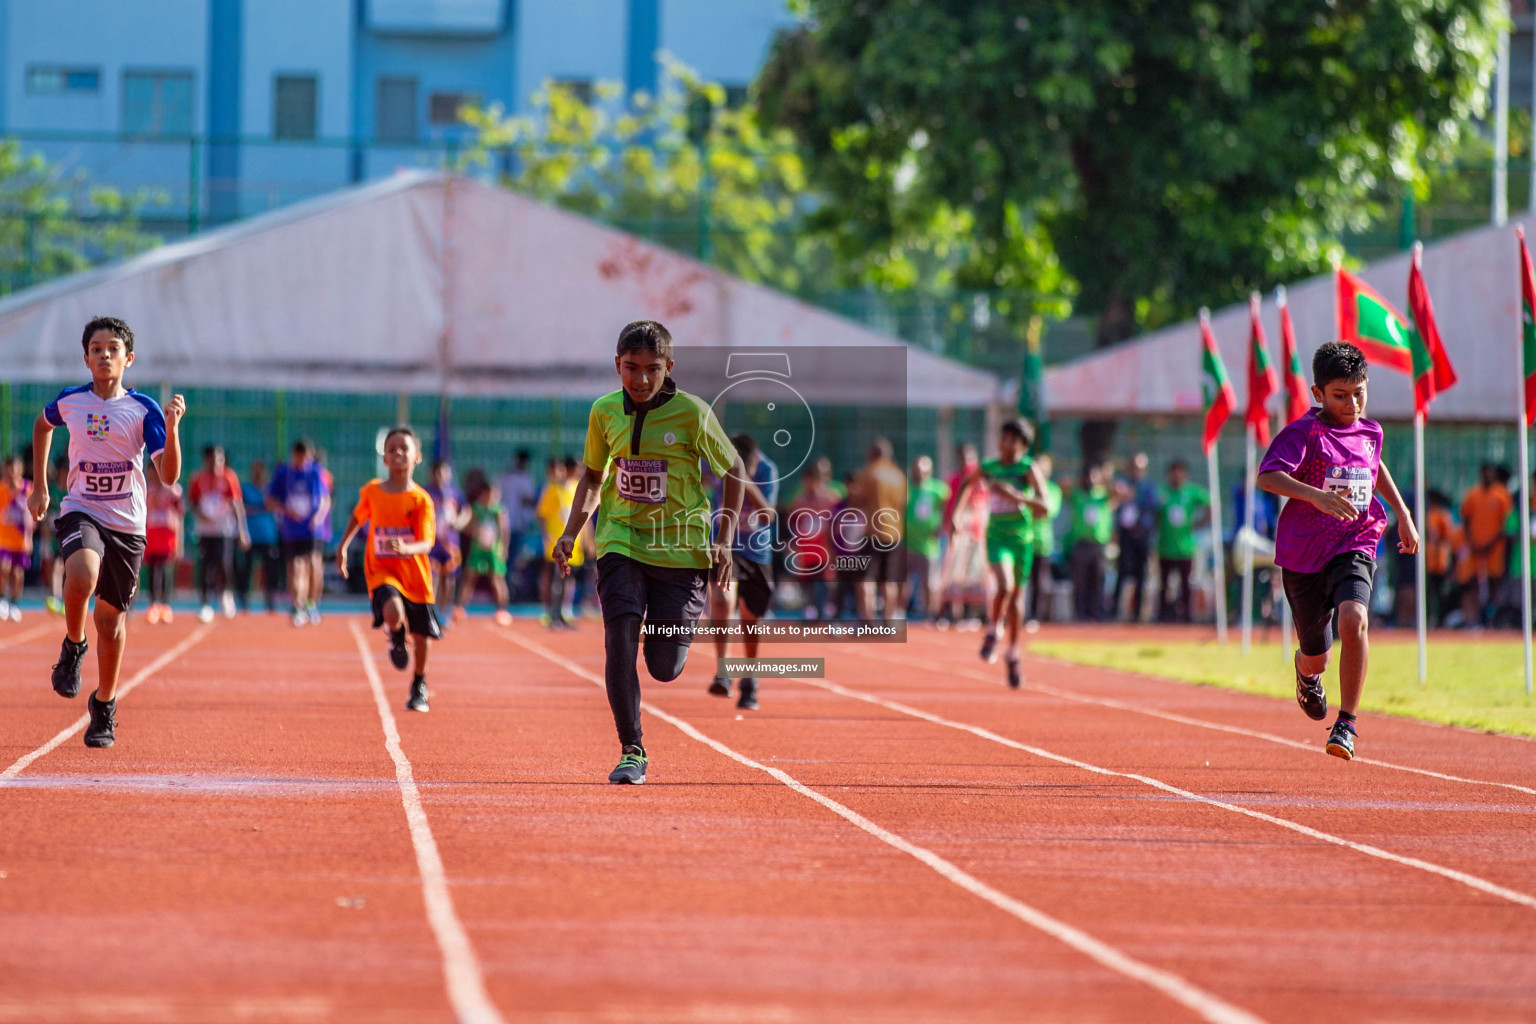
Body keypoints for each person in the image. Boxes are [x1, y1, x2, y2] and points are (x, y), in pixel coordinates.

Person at [553, 320, 744, 785]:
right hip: (621, 540)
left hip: (681, 551)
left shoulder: (693, 414)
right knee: (618, 637)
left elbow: (734, 469)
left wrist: (723, 538)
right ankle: (631, 748)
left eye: (651, 369)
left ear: (669, 368)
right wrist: (571, 532)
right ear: (617, 365)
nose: (640, 379)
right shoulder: (603, 412)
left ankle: (659, 629)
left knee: (664, 667)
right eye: (631, 368)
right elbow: (594, 478)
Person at [27, 316, 185, 748]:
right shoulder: (71, 402)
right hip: (82, 509)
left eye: (113, 348)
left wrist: (171, 431)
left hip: (127, 525)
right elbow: (42, 426)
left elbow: (168, 476)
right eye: (96, 348)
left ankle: (105, 704)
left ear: (128, 359)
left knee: (111, 621)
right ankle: (74, 646)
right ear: (86, 357)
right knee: (81, 575)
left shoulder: (143, 410)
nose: (104, 354)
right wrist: (41, 486)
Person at [1257, 341, 1418, 761]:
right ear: (1318, 394)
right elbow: (1268, 476)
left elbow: (1374, 463)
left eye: (1359, 392)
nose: (1352, 404)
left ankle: (1346, 723)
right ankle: (1305, 674)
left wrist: (1402, 512)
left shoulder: (1371, 431)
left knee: (1355, 617)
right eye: (1340, 396)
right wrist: (1316, 497)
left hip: (1355, 541)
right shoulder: (1304, 434)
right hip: (1303, 555)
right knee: (1317, 656)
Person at [336, 427, 441, 713]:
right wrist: (343, 545)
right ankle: (395, 633)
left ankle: (419, 685)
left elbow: (427, 541)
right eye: (391, 448)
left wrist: (407, 548)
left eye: (403, 448)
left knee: (422, 635)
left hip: (415, 575)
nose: (397, 453)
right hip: (382, 569)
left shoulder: (421, 500)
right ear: (384, 457)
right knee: (392, 611)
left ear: (416, 457)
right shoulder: (373, 491)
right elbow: (357, 518)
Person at [950, 419, 1049, 688]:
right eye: (1003, 438)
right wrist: (956, 516)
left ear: (1023, 446)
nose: (1005, 445)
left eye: (1012, 440)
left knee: (1017, 599)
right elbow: (966, 484)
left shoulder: (1027, 469)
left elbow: (1045, 507)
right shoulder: (990, 467)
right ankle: (994, 629)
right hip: (996, 537)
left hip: (1022, 540)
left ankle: (1013, 653)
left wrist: (1017, 498)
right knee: (1003, 586)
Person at [708, 434, 778, 710]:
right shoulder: (715, 463)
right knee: (723, 599)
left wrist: (745, 483)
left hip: (757, 552)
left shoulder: (767, 470)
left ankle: (749, 679)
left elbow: (767, 516)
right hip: (726, 546)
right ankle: (723, 671)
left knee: (751, 618)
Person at [267, 440, 328, 627]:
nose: (301, 460)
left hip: (312, 529)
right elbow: (270, 501)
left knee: (314, 566)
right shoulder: (283, 474)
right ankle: (297, 605)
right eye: (298, 455)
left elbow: (325, 500)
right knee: (295, 567)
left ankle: (312, 603)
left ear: (310, 456)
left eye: (305, 456)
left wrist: (318, 518)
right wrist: (286, 510)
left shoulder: (316, 473)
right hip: (291, 530)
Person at [188, 446, 248, 622]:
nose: (216, 463)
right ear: (206, 459)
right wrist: (201, 513)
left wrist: (242, 530)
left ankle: (226, 595)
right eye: (213, 459)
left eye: (220, 459)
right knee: (205, 566)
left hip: (224, 530)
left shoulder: (229, 477)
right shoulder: (198, 478)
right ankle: (205, 603)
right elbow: (192, 503)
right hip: (205, 530)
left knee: (224, 563)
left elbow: (237, 504)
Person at [852, 438, 908, 621]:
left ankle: (867, 619)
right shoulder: (899, 476)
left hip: (872, 532)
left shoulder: (869, 472)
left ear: (873, 454)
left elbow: (857, 500)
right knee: (889, 580)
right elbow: (903, 503)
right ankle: (888, 620)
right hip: (894, 533)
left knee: (865, 578)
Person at [1459, 463, 1513, 626]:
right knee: (1473, 582)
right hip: (1475, 548)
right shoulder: (1472, 494)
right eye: (1485, 473)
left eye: (1491, 473)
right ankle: (1473, 619)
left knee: (1494, 582)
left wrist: (1490, 543)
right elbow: (1466, 520)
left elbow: (1506, 524)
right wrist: (1473, 542)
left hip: (1495, 549)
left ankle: (1493, 618)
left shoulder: (1502, 495)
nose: (1488, 476)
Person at [1157, 460, 1209, 623]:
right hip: (1165, 546)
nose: (1176, 476)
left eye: (1180, 473)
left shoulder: (1191, 492)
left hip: (1185, 548)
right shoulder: (1162, 492)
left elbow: (1211, 503)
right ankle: (1163, 615)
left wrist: (1200, 523)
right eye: (1173, 473)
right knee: (1164, 584)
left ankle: (1187, 615)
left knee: (1186, 584)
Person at [457, 480, 514, 627]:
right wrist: (475, 531)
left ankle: (502, 610)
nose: (491, 497)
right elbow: (467, 527)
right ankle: (460, 608)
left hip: (494, 551)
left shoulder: (498, 510)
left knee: (497, 580)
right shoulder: (475, 509)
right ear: (482, 495)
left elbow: (504, 531)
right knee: (469, 578)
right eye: (488, 494)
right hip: (478, 550)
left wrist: (504, 548)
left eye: (494, 494)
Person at [1112, 453, 1159, 622]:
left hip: (1142, 536)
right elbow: (1113, 506)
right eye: (1133, 468)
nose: (1136, 471)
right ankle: (1114, 611)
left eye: (1139, 468)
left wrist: (1142, 526)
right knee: (1122, 572)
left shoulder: (1149, 487)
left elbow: (1153, 507)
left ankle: (1138, 613)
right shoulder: (1121, 486)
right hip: (1126, 536)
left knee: (1141, 574)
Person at [1065, 463, 1114, 622]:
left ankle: (1096, 613)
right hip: (1081, 543)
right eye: (1088, 476)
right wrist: (1078, 481)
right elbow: (1063, 484)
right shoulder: (1078, 494)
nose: (1091, 479)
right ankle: (1079, 613)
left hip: (1098, 544)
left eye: (1095, 476)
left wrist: (1106, 478)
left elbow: (1123, 492)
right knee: (1080, 581)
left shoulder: (1103, 495)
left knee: (1098, 580)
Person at [903, 454, 949, 621]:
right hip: (906, 543)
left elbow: (947, 510)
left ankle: (931, 615)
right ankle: (898, 613)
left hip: (928, 544)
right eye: (916, 471)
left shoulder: (939, 490)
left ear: (930, 471)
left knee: (929, 583)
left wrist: (941, 526)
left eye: (922, 471)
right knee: (901, 583)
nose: (919, 474)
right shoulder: (905, 489)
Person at [235, 460, 282, 614]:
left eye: (260, 471)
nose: (258, 474)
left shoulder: (270, 489)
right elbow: (241, 508)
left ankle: (270, 600)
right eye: (255, 470)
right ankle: (243, 599)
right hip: (250, 536)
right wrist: (261, 507)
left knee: (271, 571)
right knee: (245, 570)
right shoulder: (245, 489)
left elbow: (275, 506)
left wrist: (263, 505)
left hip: (268, 537)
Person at [142, 459, 184, 624]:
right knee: (152, 571)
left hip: (167, 533)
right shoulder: (145, 489)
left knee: (165, 569)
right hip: (151, 532)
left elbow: (179, 516)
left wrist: (179, 542)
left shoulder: (173, 491)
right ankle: (153, 605)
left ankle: (166, 605)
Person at [425, 460, 466, 622]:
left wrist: (459, 522)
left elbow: (466, 512)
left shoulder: (454, 493)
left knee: (449, 580)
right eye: (437, 472)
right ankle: (431, 612)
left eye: (444, 472)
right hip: (431, 542)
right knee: (432, 577)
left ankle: (444, 612)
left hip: (450, 544)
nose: (440, 476)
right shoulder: (426, 492)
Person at [1025, 453, 1062, 630]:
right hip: (1022, 540)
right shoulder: (1026, 487)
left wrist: (1033, 507)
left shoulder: (1053, 489)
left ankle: (1034, 616)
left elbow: (1047, 510)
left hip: (1041, 542)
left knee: (1038, 582)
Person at [497, 449, 536, 601]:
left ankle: (503, 594)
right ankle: (508, 595)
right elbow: (527, 500)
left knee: (503, 561)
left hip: (502, 525)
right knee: (512, 562)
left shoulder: (503, 477)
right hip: (517, 526)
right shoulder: (524, 479)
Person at [0, 455, 34, 621]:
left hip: (20, 541)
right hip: (4, 539)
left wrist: (29, 537)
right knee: (4, 567)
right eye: (8, 470)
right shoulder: (2, 491)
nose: (11, 473)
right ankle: (2, 599)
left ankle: (14, 602)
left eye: (14, 470)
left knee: (18, 574)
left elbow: (31, 518)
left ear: (21, 471)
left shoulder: (27, 489)